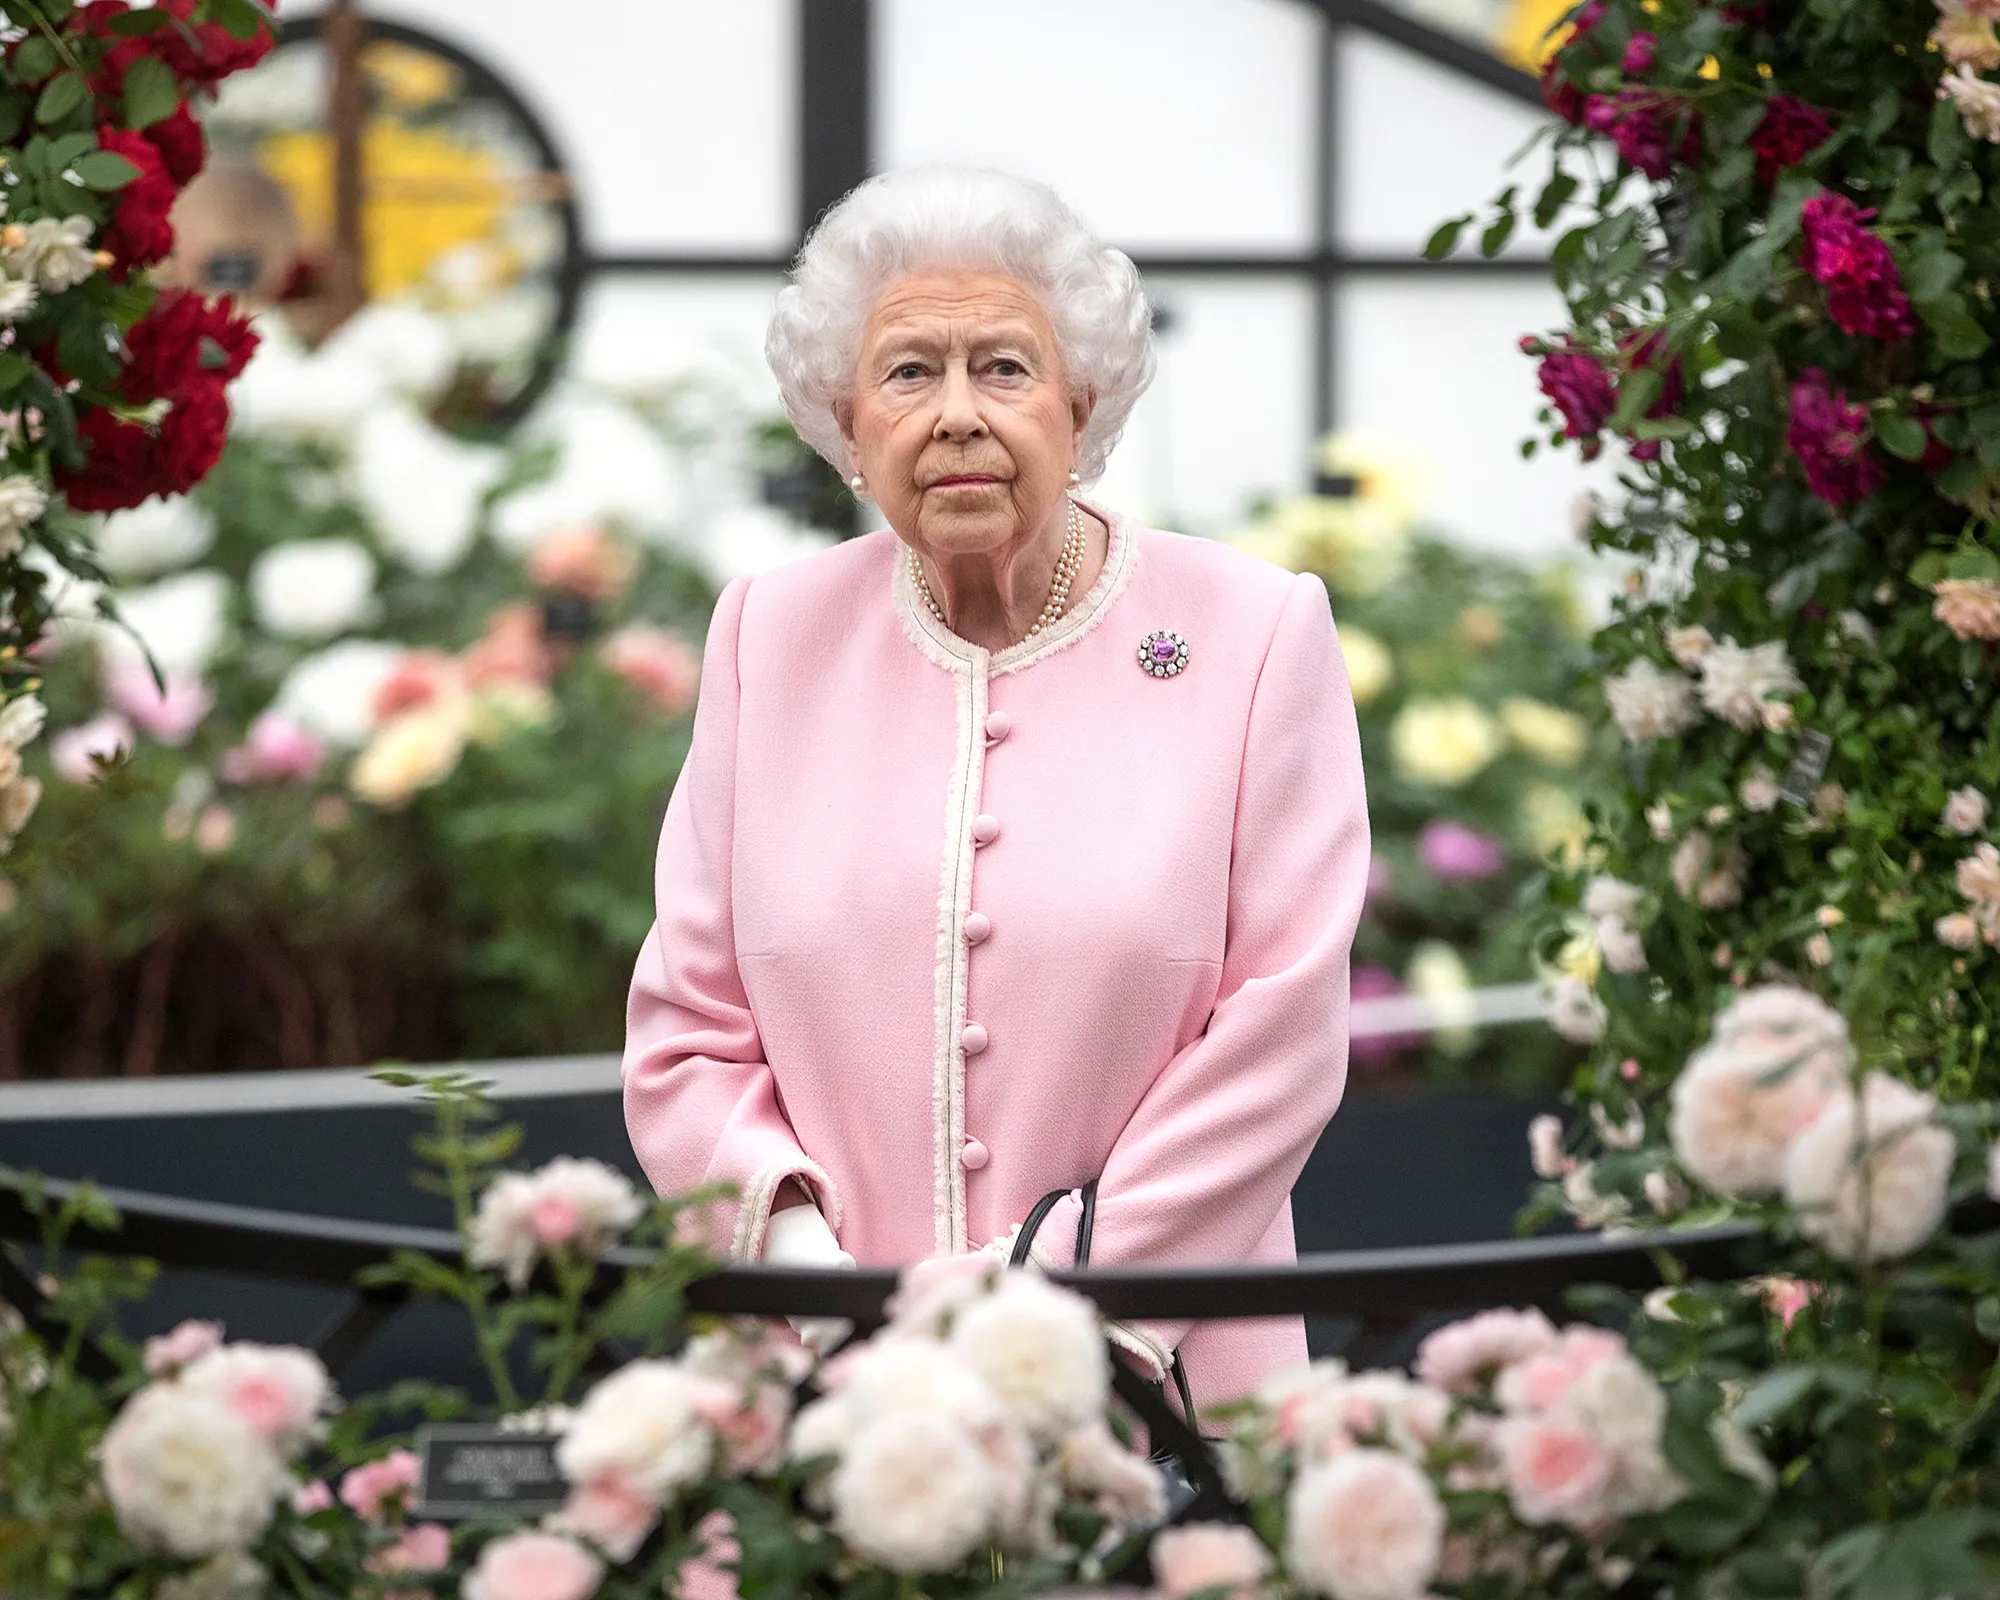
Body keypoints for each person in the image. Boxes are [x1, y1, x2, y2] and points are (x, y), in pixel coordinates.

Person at [623, 166, 1370, 1411]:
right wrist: (828, 1304)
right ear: (845, 424)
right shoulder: (767, 635)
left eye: (1004, 369)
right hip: (823, 1396)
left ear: (1081, 405)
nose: (957, 414)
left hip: (1157, 1384)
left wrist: (1057, 1301)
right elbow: (687, 1030)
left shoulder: (1252, 631)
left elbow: (1282, 1028)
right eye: (909, 372)